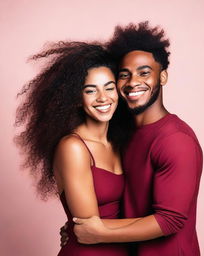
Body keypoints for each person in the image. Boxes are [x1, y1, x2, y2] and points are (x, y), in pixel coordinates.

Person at [69, 22, 203, 256]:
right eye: (124, 75)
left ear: (162, 77)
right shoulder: (123, 132)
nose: (132, 82)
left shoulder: (176, 140)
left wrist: (98, 231)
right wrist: (78, 230)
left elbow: (169, 220)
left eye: (144, 73)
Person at [15, 42, 136, 255]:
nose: (103, 98)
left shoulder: (121, 142)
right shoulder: (73, 148)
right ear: (77, 99)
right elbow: (88, 228)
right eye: (91, 90)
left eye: (109, 87)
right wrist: (161, 224)